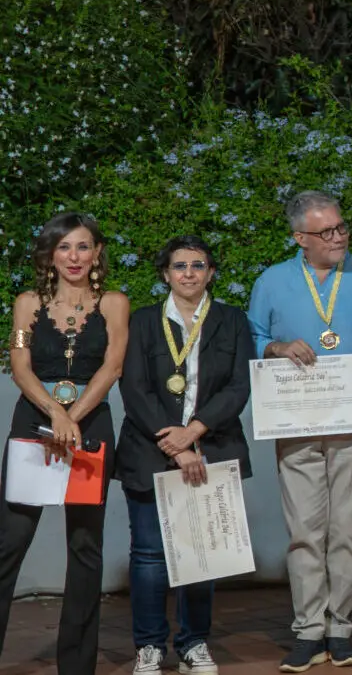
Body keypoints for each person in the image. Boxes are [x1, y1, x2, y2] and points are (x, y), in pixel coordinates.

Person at [247, 190, 352, 672]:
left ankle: (340, 627)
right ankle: (309, 629)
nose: (339, 238)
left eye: (342, 228)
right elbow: (251, 337)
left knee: (348, 527)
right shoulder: (272, 281)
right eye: (326, 232)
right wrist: (278, 346)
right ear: (300, 239)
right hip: (297, 420)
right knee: (305, 530)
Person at [118, 236, 255, 675]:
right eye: (180, 266)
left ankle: (194, 643)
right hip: (149, 451)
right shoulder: (142, 322)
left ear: (211, 272)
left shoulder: (232, 320)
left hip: (211, 447)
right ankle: (150, 646)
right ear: (166, 274)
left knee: (203, 554)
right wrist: (174, 445)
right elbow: (133, 388)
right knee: (149, 556)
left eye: (198, 265)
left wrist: (193, 433)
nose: (189, 273)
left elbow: (239, 386)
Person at [0, 212, 129, 675]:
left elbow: (112, 367)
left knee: (85, 544)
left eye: (83, 247)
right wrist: (56, 414)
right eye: (64, 248)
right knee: (9, 540)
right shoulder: (27, 302)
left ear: (96, 253)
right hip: (34, 423)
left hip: (90, 426)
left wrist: (74, 418)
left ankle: (76, 665)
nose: (74, 257)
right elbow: (20, 366)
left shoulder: (114, 303)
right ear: (50, 255)